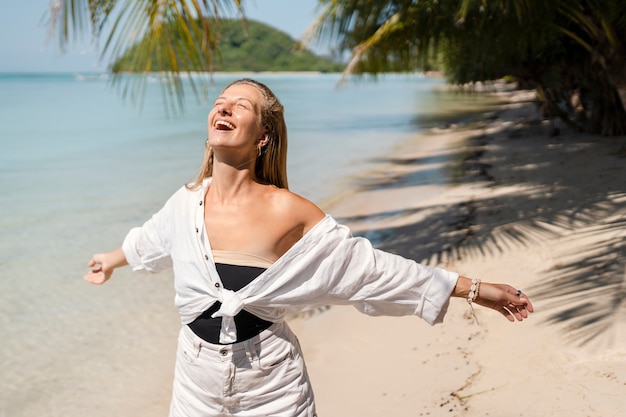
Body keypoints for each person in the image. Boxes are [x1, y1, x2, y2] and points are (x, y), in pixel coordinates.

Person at [85, 78, 533, 417]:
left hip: (271, 386)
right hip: (193, 384)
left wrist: (475, 290)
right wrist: (111, 259)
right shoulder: (185, 203)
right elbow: (151, 240)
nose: (223, 108)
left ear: (263, 137)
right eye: (219, 103)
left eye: (240, 106)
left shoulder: (289, 211)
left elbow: (370, 270)